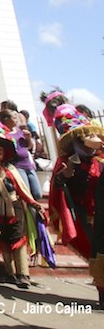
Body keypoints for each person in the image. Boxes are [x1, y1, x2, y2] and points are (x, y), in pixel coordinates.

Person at [0, 120, 47, 288]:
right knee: (4, 242)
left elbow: (22, 190)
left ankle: (23, 274)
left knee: (19, 240)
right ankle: (10, 273)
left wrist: (34, 204)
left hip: (15, 208)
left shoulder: (11, 169)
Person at [48, 103, 104, 307]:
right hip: (84, 214)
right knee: (98, 253)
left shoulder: (100, 160)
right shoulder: (68, 161)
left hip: (100, 209)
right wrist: (64, 176)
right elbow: (58, 185)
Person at [0, 108, 42, 200]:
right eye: (14, 118)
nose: (16, 120)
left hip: (28, 165)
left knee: (37, 193)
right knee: (26, 193)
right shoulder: (3, 134)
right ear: (6, 120)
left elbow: (28, 147)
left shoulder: (19, 131)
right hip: (17, 166)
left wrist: (28, 138)